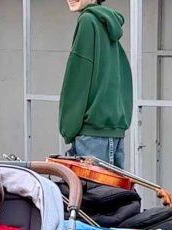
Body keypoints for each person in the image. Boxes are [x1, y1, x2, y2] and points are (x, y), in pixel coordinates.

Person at [59, 0, 132, 169]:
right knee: (114, 195)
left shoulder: (87, 21)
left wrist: (68, 128)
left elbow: (78, 79)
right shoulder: (107, 24)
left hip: (91, 136)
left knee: (88, 194)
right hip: (115, 132)